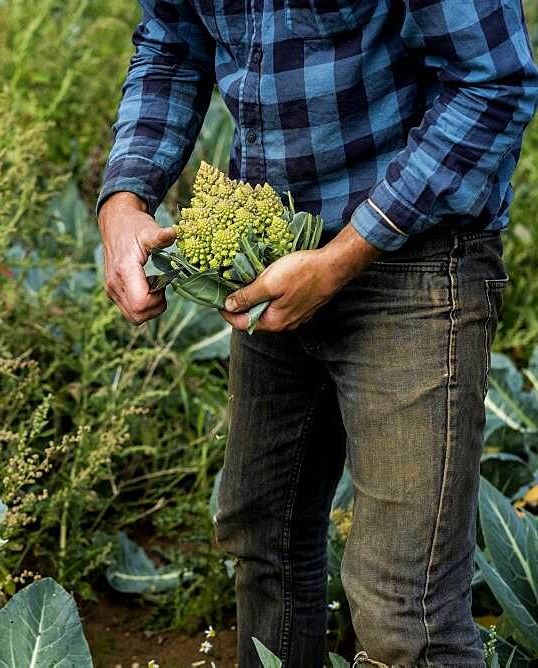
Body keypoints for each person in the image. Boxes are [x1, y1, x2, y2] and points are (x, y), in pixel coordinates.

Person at [97, 1, 538, 665]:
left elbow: (493, 81)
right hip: (270, 249)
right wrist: (125, 198)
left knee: (404, 610)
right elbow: (172, 42)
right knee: (263, 541)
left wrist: (343, 256)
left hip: (417, 254)